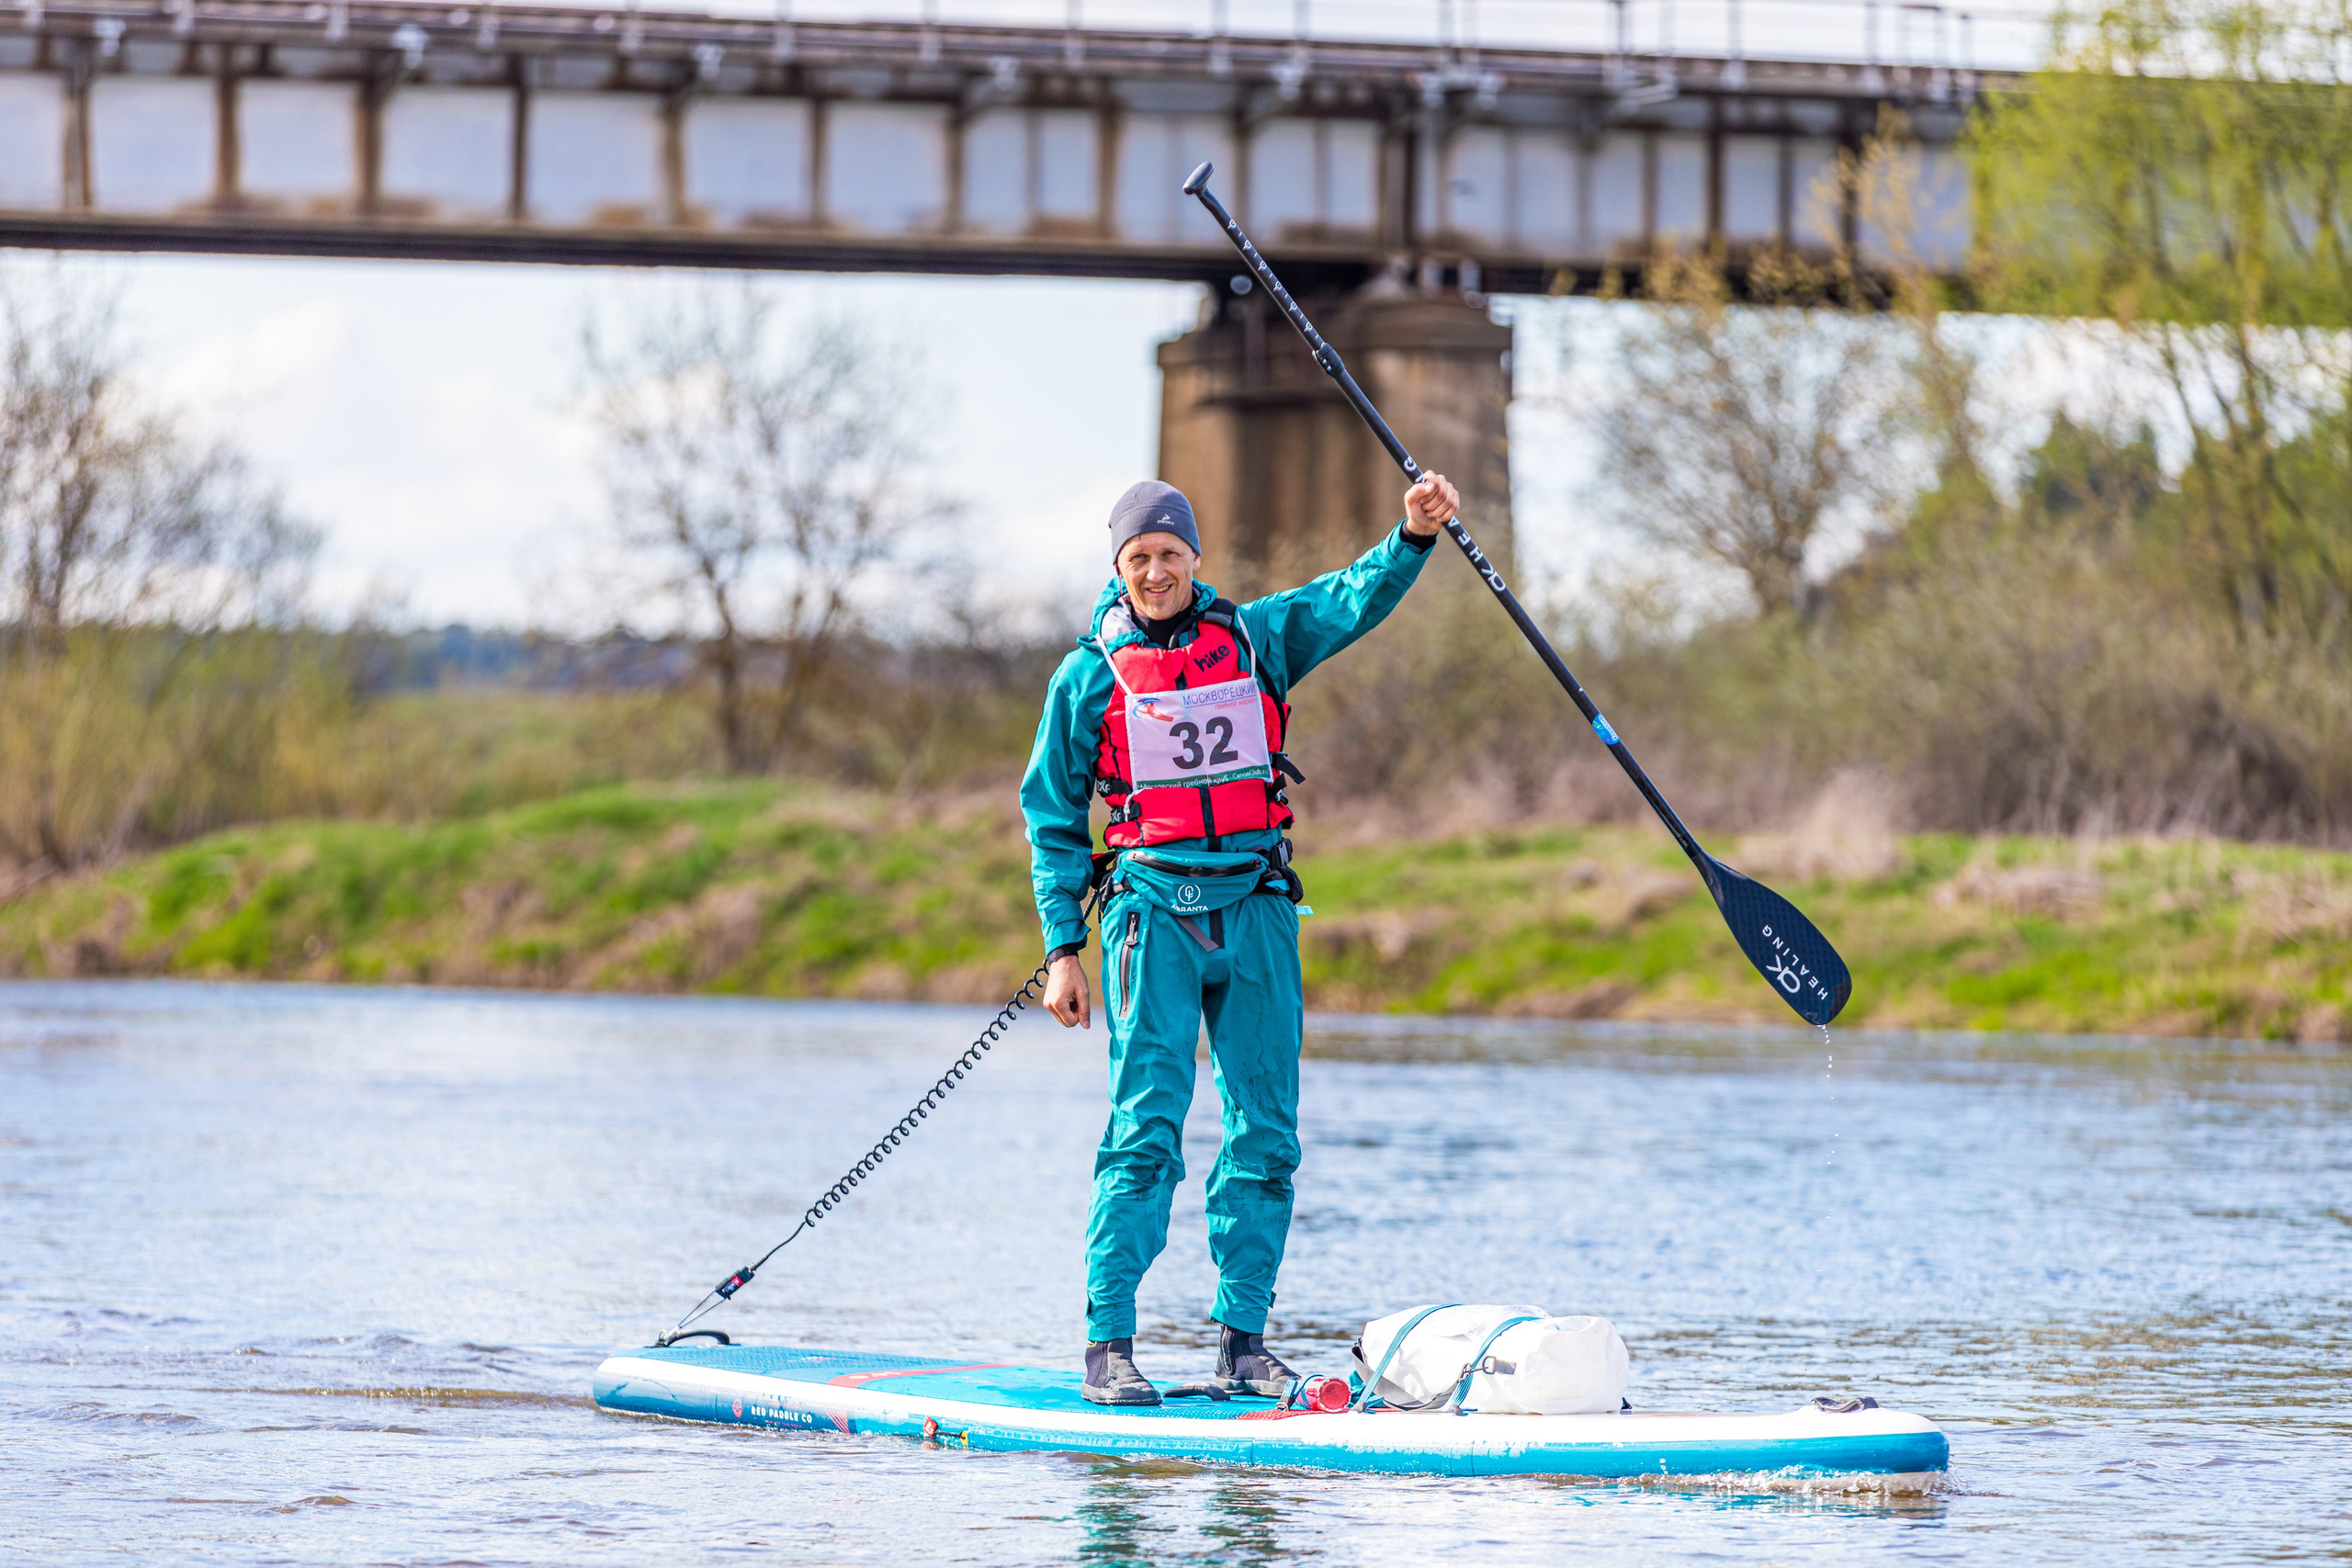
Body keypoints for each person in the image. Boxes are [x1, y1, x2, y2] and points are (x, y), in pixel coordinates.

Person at [1020, 469, 1462, 1405]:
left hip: (1256, 907)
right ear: (1118, 567)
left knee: (1266, 1133)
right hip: (1149, 916)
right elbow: (1051, 816)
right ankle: (1109, 1346)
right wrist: (1062, 949)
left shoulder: (1256, 638)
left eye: (1169, 554)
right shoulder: (1085, 675)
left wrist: (1414, 537)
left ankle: (1243, 1344)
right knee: (1146, 1132)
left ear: (1194, 557)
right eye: (1138, 558)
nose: (1155, 572)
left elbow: (1348, 600)